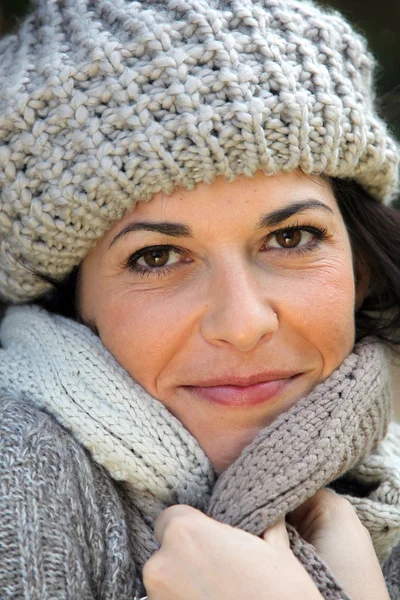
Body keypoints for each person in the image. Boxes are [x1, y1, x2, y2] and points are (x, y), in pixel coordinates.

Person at [0, 0, 400, 598]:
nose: (242, 324)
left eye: (290, 238)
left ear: (359, 266)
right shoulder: (19, 473)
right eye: (156, 256)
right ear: (71, 298)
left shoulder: (383, 485)